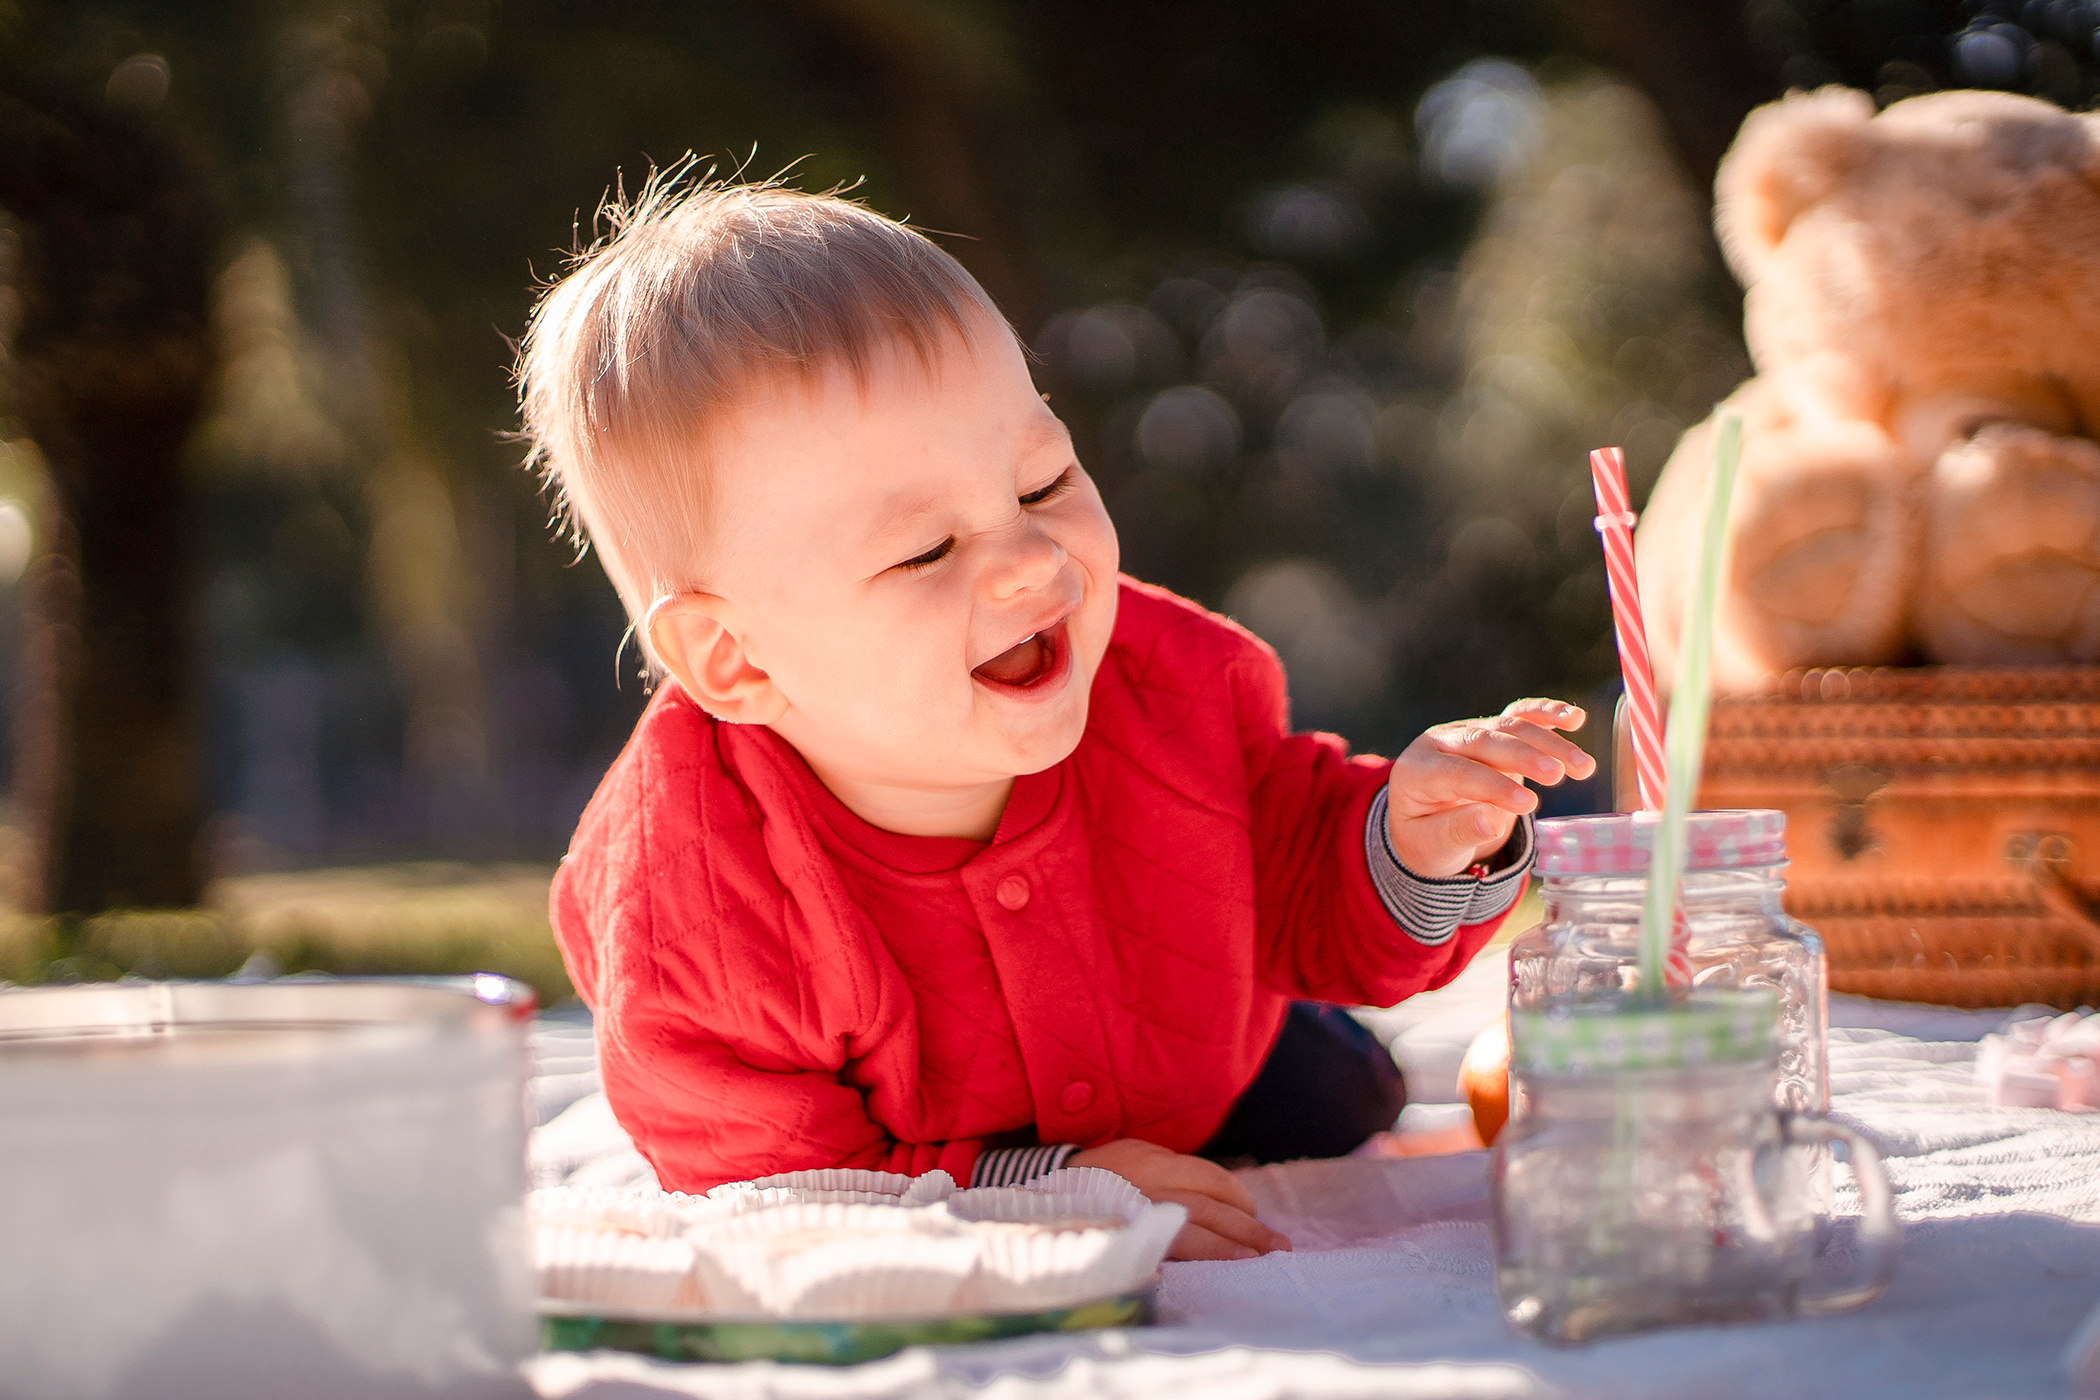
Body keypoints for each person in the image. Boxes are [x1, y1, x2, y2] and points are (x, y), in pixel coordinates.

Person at [520, 176, 1593, 1260]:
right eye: (927, 549)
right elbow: (772, 1175)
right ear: (733, 657)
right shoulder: (687, 904)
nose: (1032, 561)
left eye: (1041, 484)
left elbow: (1301, 861)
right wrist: (1037, 1188)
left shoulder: (1169, 684)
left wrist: (1409, 835)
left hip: (1185, 1037)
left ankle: (1304, 1048)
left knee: (1351, 1089)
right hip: (918, 1135)